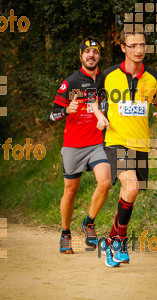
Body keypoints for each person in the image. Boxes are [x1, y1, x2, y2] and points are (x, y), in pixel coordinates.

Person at [92, 29, 157, 267]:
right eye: (133, 45)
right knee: (132, 188)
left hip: (141, 143)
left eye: (142, 45)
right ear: (123, 48)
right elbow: (94, 101)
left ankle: (110, 240)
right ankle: (120, 240)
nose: (138, 50)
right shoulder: (107, 75)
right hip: (116, 141)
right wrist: (99, 117)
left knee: (129, 194)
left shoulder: (155, 77)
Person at [50, 36, 111, 255]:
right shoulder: (71, 82)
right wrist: (67, 110)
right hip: (73, 146)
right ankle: (65, 233)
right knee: (71, 191)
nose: (91, 55)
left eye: (95, 52)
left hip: (96, 144)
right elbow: (52, 115)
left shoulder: (106, 80)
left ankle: (89, 222)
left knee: (105, 182)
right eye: (87, 52)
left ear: (99, 56)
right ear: (81, 56)